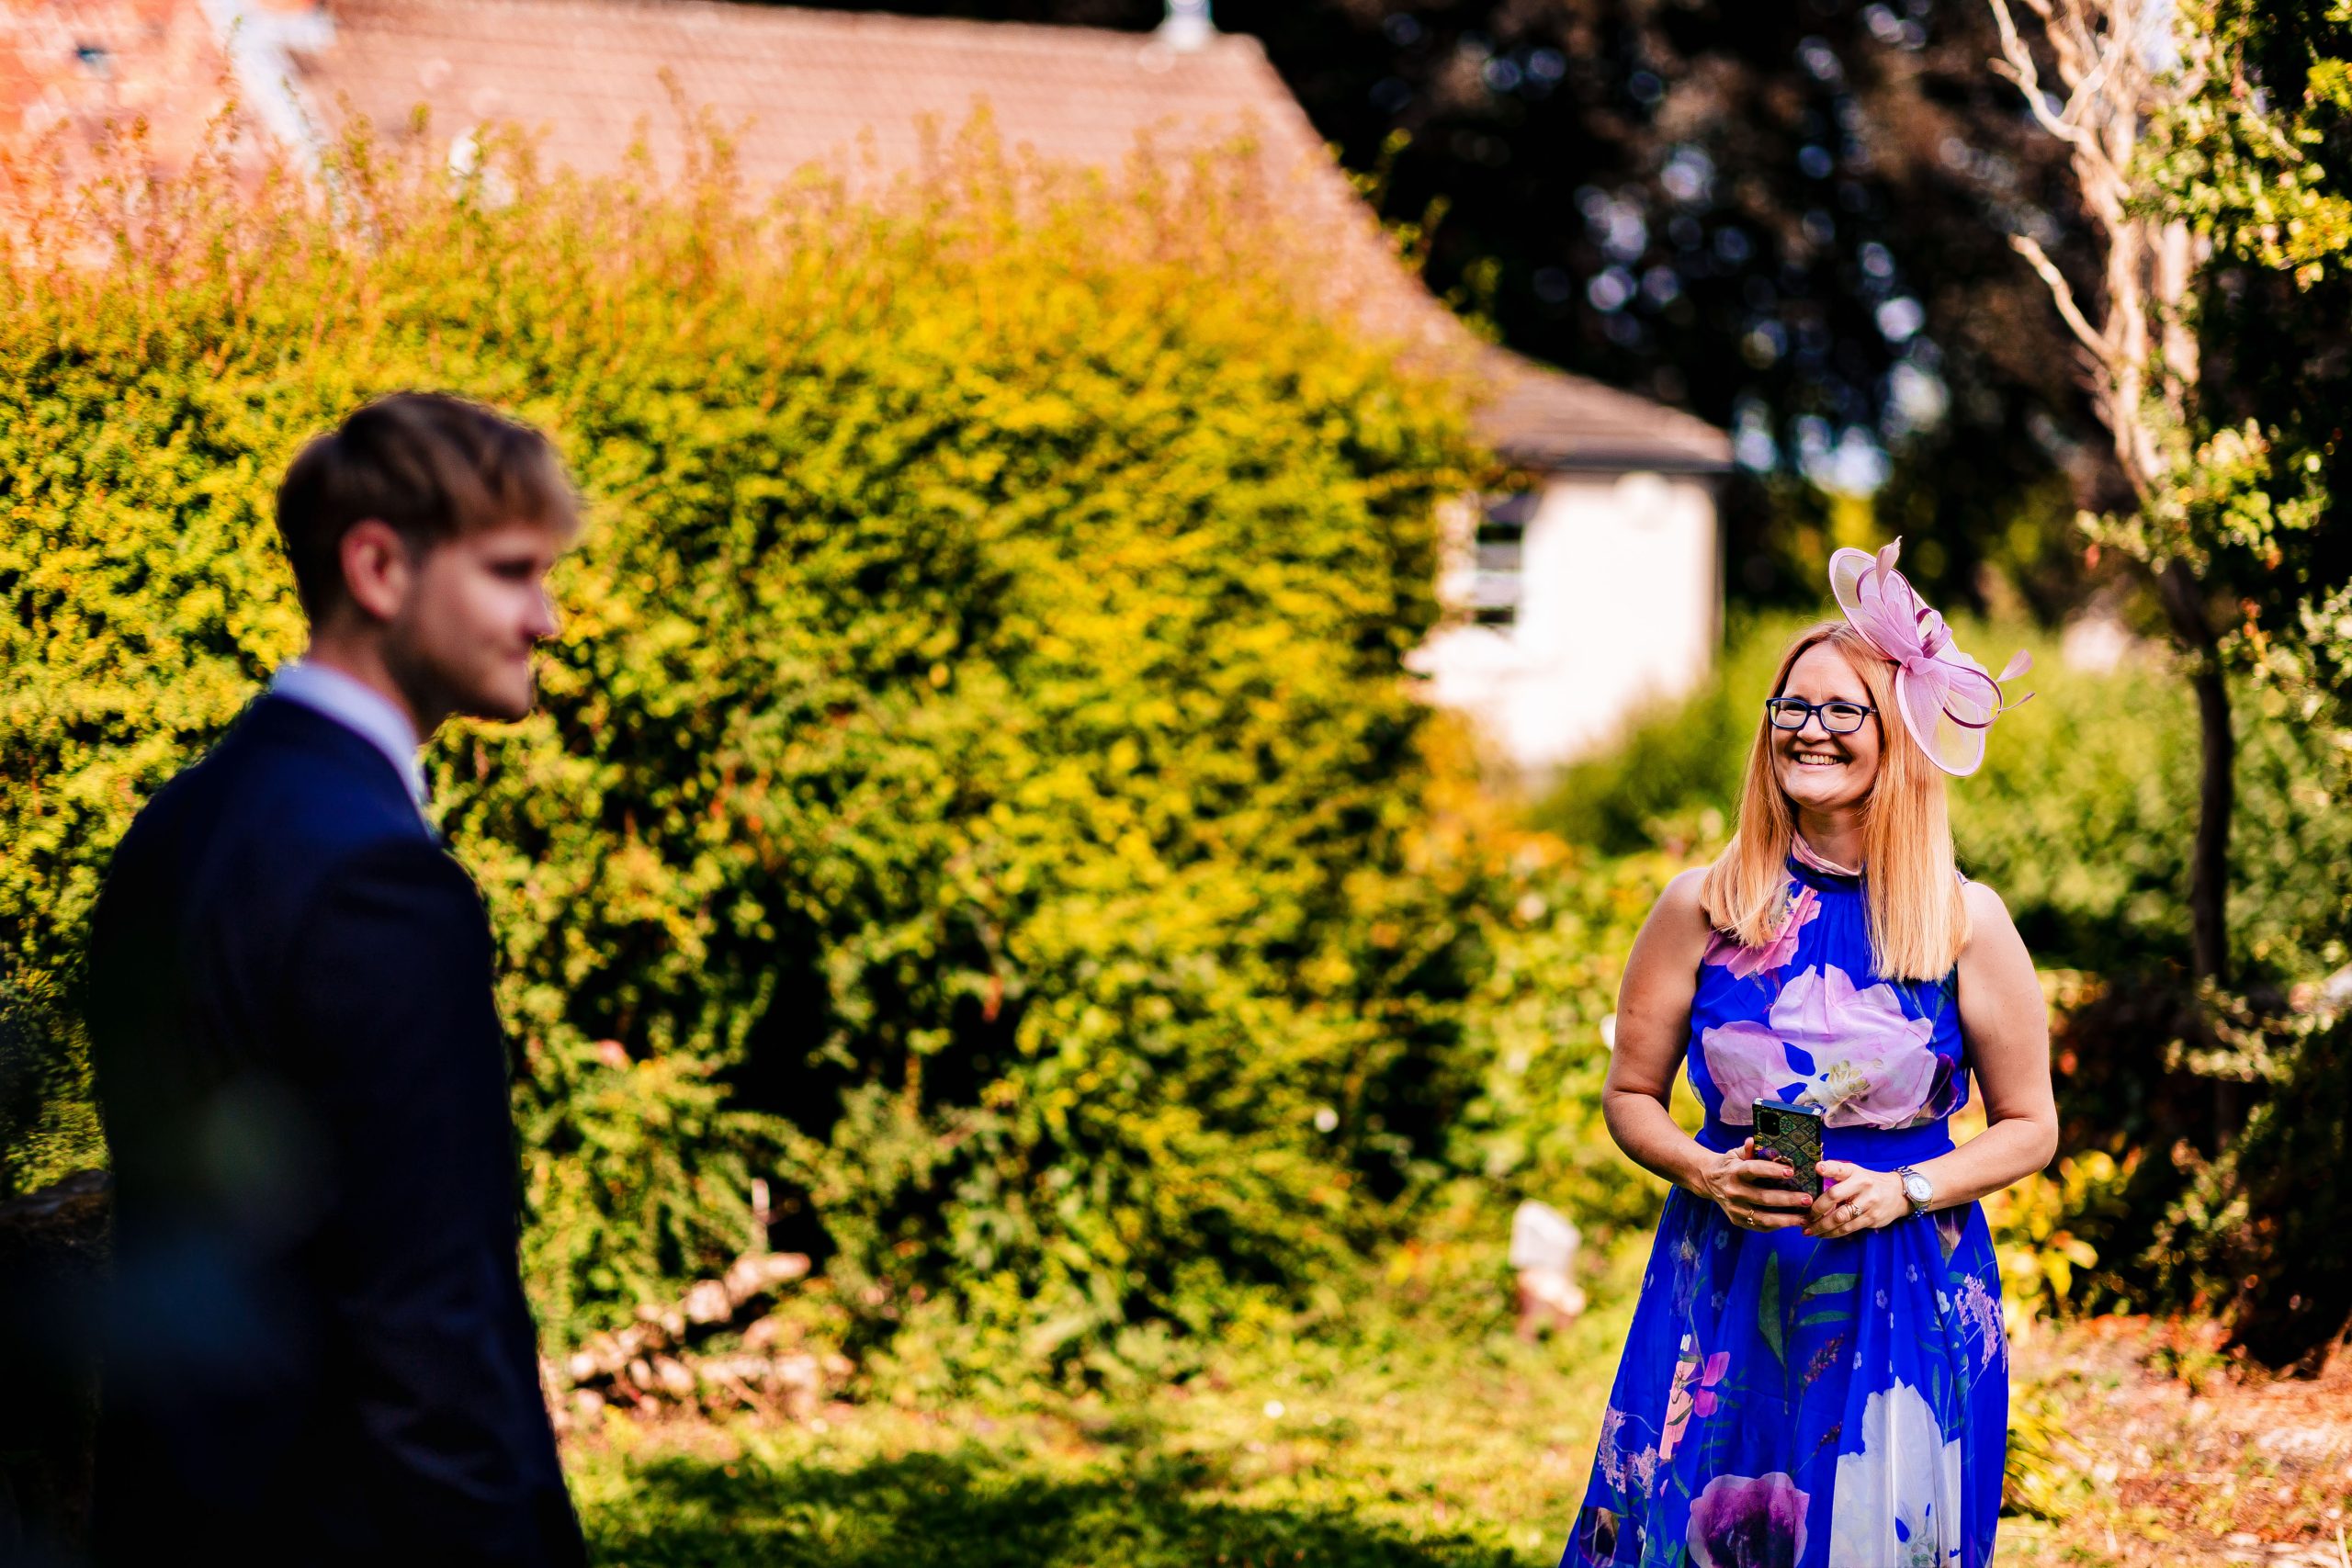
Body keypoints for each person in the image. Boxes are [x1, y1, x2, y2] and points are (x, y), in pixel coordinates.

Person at [83, 393, 588, 1567]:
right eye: (513, 572)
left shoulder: (173, 829)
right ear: (379, 567)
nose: (548, 619)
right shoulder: (382, 882)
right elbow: (429, 1335)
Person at [1561, 541, 2058, 1568]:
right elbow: (1629, 1096)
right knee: (1705, 1535)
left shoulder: (1965, 921)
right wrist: (1705, 1169)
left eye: (1842, 711)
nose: (1809, 729)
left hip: (1901, 1275)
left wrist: (1906, 1189)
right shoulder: (1701, 904)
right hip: (1729, 1275)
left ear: (1900, 739)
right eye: (1792, 707)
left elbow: (2029, 1129)